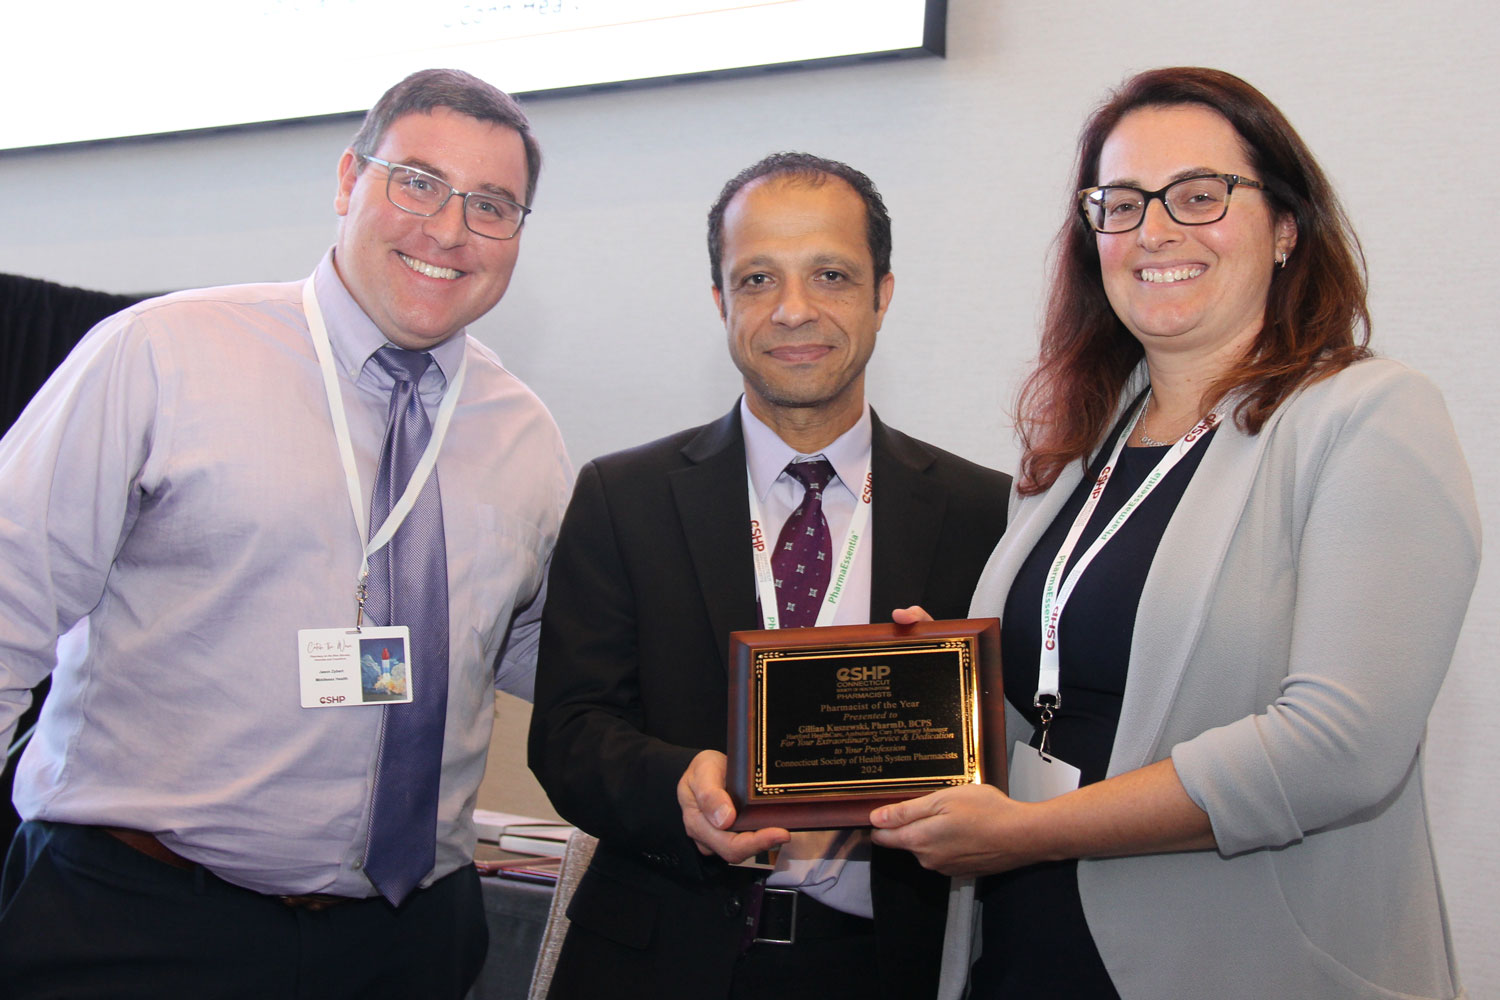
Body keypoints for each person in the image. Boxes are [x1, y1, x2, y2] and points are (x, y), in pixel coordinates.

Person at [868, 67, 1481, 1000]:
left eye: (1199, 195)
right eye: (1119, 204)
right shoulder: (1085, 438)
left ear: (1285, 226)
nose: (1154, 229)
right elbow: (1070, 701)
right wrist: (941, 691)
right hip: (1027, 946)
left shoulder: (1368, 416)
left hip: (1245, 964)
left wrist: (1030, 833)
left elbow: (1339, 748)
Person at [0, 69, 570, 999]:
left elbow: (542, 650)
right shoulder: (162, 356)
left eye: (493, 205)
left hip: (408, 944)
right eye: (417, 182)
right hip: (138, 922)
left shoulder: (525, 434)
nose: (449, 229)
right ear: (348, 181)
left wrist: (748, 694)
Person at [527, 152, 1010, 1000]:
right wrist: (679, 791)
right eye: (757, 279)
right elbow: (568, 733)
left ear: (882, 294)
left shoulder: (985, 512)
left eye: (830, 274)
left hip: (888, 965)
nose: (794, 311)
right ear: (721, 302)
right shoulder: (621, 496)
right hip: (657, 961)